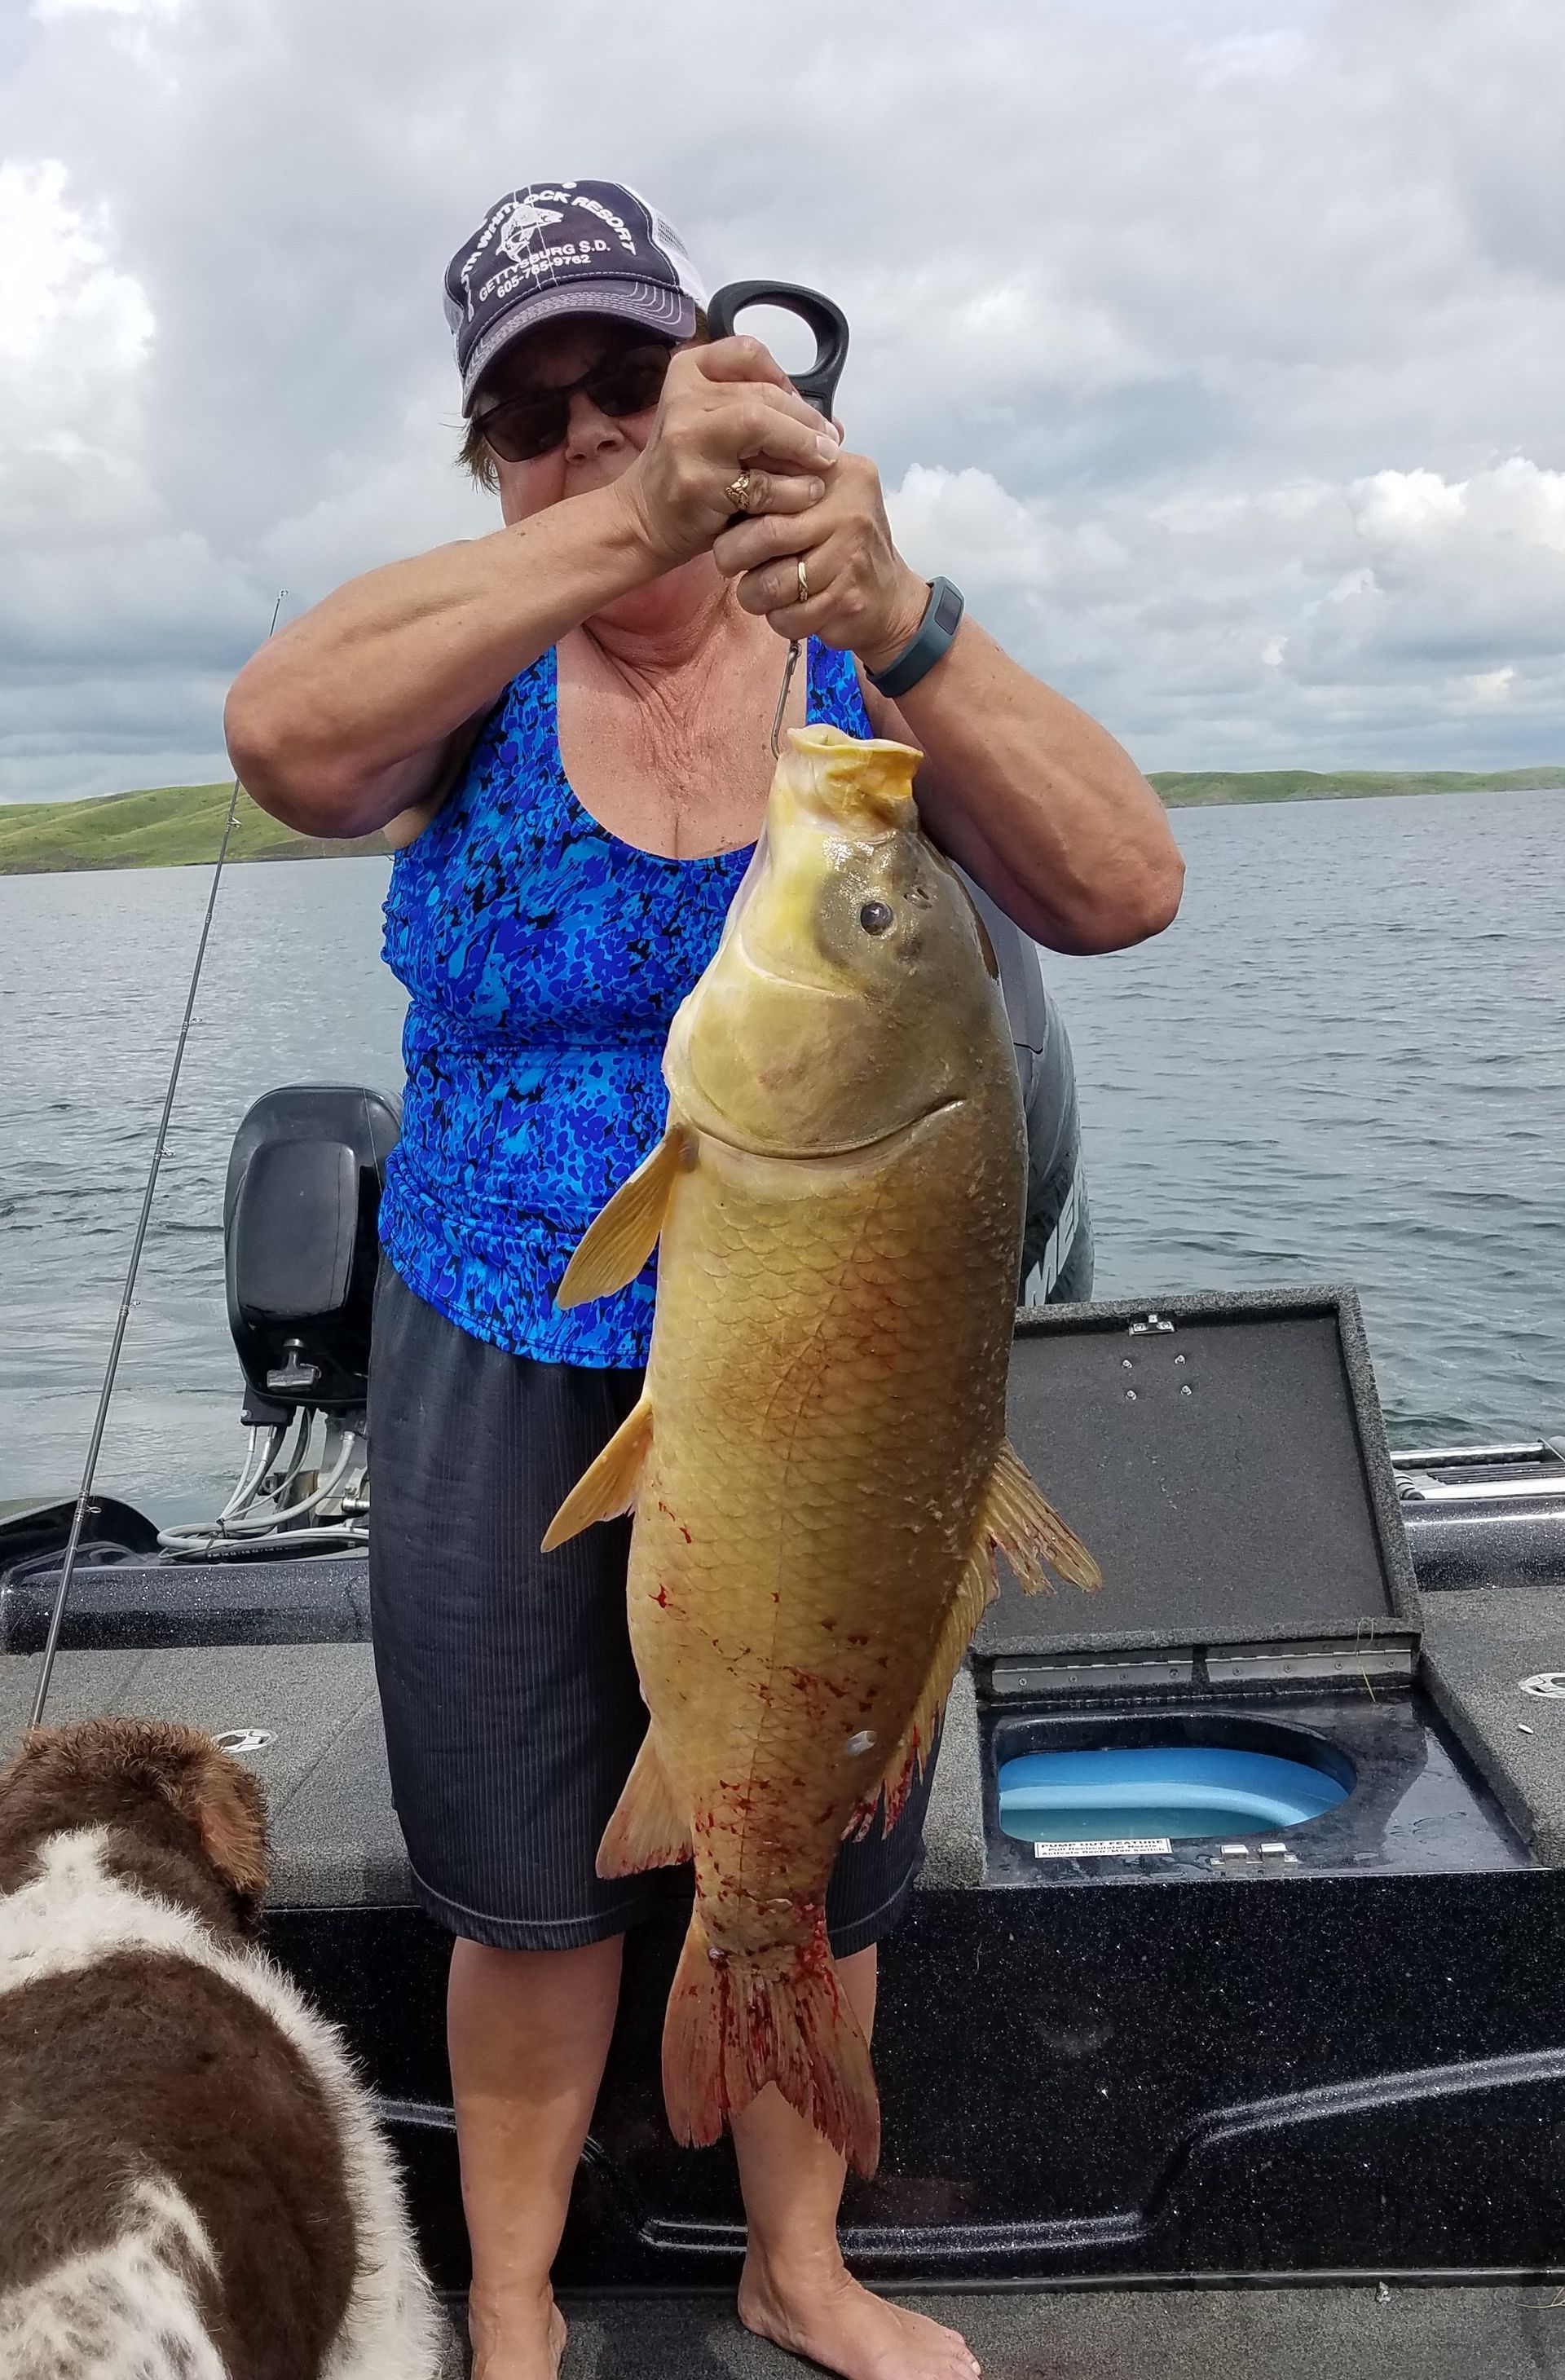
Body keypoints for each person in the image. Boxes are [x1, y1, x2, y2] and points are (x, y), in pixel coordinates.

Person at [227, 178, 1184, 2380]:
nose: (576, 437)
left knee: (817, 1841)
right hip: (501, 1338)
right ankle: (516, 2301)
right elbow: (284, 736)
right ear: (487, 462)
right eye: (524, 416)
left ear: (712, 382)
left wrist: (909, 613)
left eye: (622, 386)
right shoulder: (469, 657)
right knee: (523, 1881)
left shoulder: (863, 681)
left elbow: (1124, 881)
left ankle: (801, 2262)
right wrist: (629, 517)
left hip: (841, 1362)